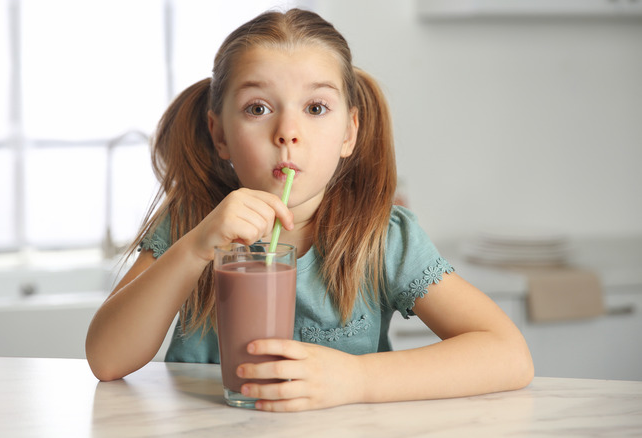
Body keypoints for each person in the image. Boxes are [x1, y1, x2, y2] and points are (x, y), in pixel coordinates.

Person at [85, 8, 534, 412]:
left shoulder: (381, 238)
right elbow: (107, 359)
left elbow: (508, 354)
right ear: (219, 134)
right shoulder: (193, 223)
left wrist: (357, 379)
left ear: (349, 133)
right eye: (258, 108)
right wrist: (194, 249)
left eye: (316, 107)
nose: (287, 132)